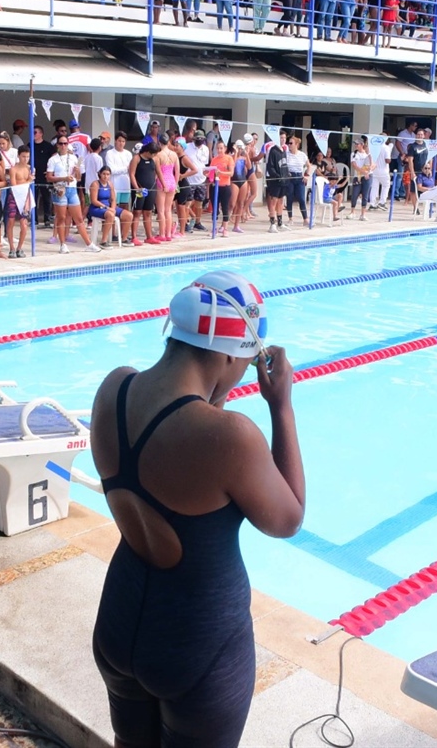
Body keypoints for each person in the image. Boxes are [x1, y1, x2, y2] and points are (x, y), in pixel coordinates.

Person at [90, 270, 305, 748]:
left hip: (120, 622)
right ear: (231, 353)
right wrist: (281, 406)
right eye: (248, 361)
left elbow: (189, 416)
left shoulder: (114, 389)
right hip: (199, 643)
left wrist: (218, 383)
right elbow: (287, 519)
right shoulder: (230, 436)